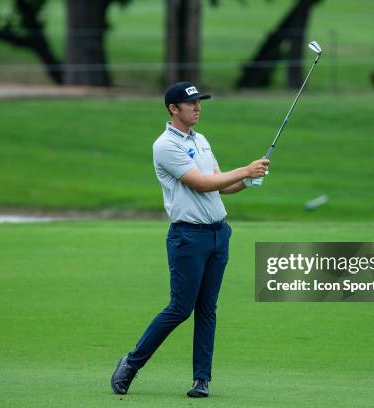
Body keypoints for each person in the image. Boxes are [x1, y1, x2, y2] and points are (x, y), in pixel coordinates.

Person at [110, 82, 269, 398]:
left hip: (218, 234)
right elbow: (200, 184)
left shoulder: (202, 140)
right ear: (174, 108)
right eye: (192, 102)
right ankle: (131, 363)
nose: (198, 107)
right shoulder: (165, 145)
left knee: (207, 309)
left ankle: (201, 380)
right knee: (181, 308)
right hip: (188, 237)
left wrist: (250, 179)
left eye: (199, 102)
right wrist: (244, 169)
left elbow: (221, 186)